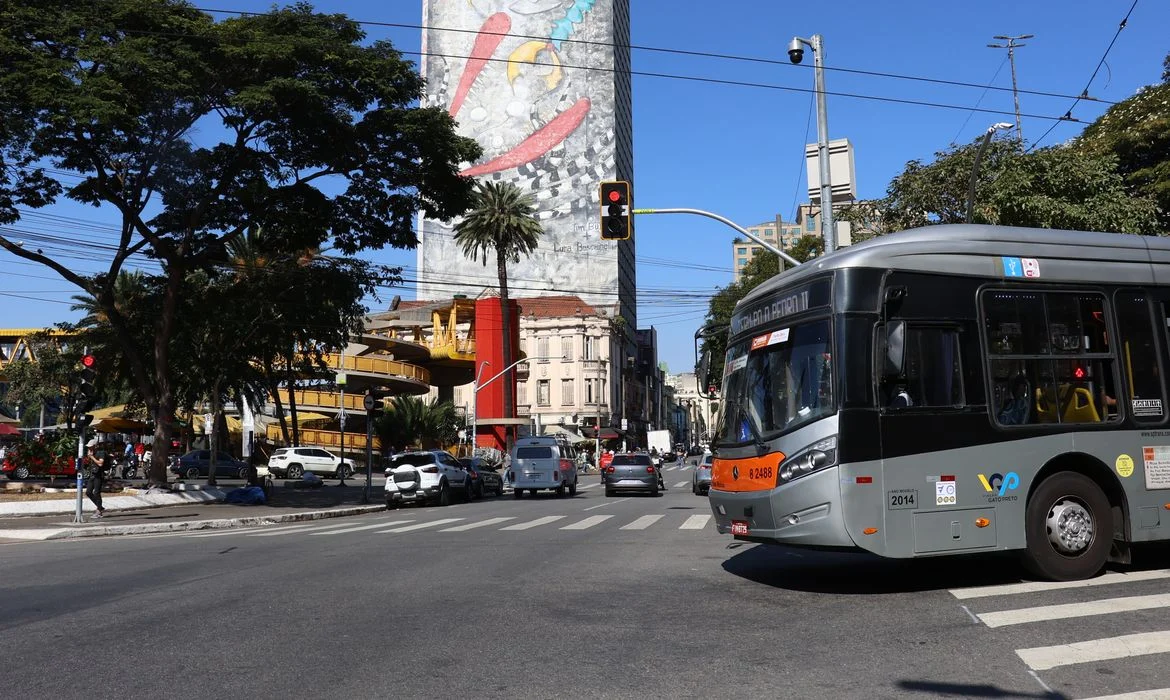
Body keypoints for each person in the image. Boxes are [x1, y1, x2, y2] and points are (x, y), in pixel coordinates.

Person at [87, 451, 112, 519]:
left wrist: (92, 457)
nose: (89, 449)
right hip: (92, 475)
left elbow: (100, 464)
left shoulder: (100, 453)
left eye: (90, 447)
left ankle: (99, 511)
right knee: (88, 492)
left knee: (96, 493)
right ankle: (100, 506)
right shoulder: (93, 453)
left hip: (98, 475)